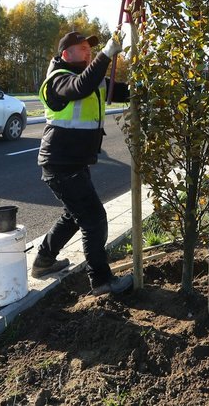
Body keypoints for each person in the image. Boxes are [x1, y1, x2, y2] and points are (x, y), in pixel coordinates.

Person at [32, 29, 133, 296]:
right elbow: (80, 88)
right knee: (94, 219)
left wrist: (157, 86)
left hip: (72, 163)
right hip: (60, 163)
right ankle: (101, 281)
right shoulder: (58, 81)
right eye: (82, 48)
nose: (88, 51)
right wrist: (106, 55)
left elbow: (123, 91)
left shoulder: (90, 76)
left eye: (91, 48)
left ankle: (44, 262)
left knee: (74, 215)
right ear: (66, 54)